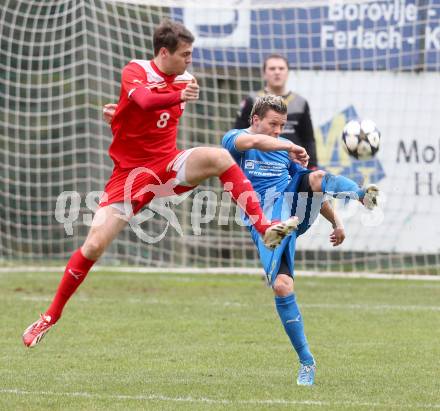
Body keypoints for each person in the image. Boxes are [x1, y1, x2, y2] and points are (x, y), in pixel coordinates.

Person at [22, 21, 308, 348]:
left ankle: (264, 227)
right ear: (163, 52)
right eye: (185, 54)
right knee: (93, 247)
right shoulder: (136, 70)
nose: (190, 60)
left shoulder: (186, 79)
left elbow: (147, 119)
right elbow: (143, 102)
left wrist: (122, 116)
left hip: (167, 165)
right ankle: (50, 317)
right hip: (129, 177)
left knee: (220, 158)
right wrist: (126, 114)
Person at [222, 95, 379, 386]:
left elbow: (313, 187)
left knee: (316, 176)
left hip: (292, 210)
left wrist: (337, 222)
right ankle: (307, 361)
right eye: (273, 124)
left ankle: (362, 194)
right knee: (282, 287)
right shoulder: (234, 140)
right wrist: (291, 146)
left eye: (282, 126)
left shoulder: (285, 155)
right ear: (255, 120)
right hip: (264, 221)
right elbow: (254, 142)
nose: (278, 131)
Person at [234, 54, 318, 169]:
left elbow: (308, 138)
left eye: (281, 68)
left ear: (288, 73)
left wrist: (313, 166)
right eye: (272, 68)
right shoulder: (252, 100)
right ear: (264, 74)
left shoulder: (300, 102)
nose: (277, 72)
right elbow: (238, 133)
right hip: (259, 164)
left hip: (293, 164)